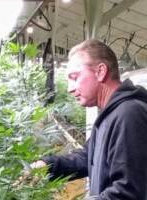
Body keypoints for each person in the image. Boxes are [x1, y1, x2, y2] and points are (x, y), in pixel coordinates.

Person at [29, 39, 147, 199]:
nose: (70, 88)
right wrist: (47, 165)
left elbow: (128, 192)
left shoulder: (129, 114)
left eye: (75, 77)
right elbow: (87, 157)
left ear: (100, 71)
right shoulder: (110, 114)